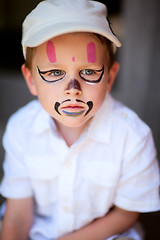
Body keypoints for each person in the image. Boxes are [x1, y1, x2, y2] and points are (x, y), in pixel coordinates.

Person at [0, 0, 159, 239]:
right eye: (54, 72)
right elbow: (18, 215)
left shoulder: (133, 136)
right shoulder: (21, 129)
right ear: (31, 80)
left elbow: (126, 214)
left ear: (110, 78)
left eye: (89, 72)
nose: (73, 89)